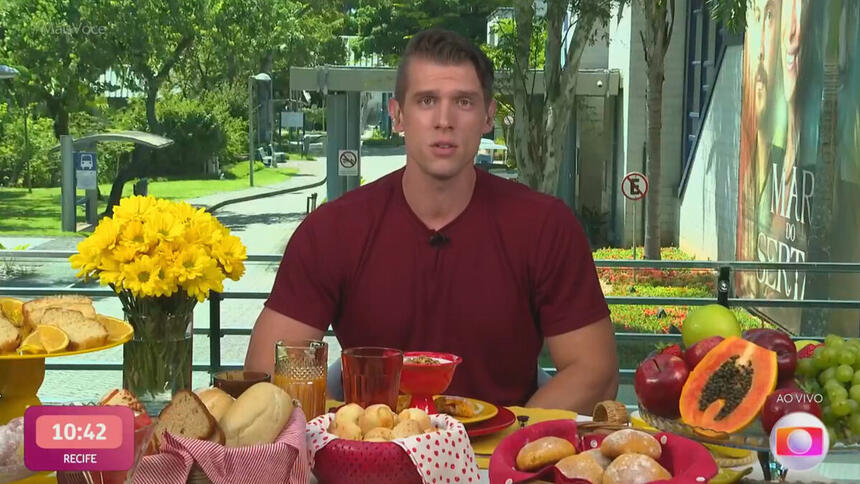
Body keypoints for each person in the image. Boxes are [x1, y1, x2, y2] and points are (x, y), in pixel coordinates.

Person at [245, 29, 617, 413]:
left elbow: (595, 370)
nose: (444, 120)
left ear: (489, 116)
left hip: (504, 460)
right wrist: (344, 432)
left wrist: (514, 446)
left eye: (464, 102)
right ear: (397, 116)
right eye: (426, 101)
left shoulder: (545, 226)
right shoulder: (332, 231)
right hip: (368, 455)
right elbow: (267, 372)